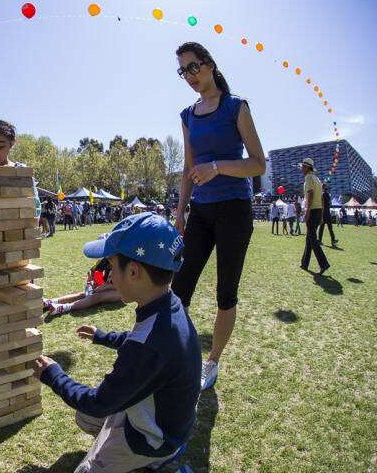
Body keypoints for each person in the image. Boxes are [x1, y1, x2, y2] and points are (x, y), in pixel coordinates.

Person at [34, 213, 200, 472]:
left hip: (155, 438)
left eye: (111, 266)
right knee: (85, 419)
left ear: (133, 271)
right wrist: (103, 336)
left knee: (87, 451)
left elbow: (98, 402)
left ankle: (159, 461)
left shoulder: (148, 348)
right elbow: (139, 343)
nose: (108, 277)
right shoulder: (167, 305)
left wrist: (53, 374)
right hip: (167, 418)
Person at [172, 42, 266, 391]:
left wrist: (217, 167)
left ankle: (211, 363)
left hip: (234, 211)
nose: (190, 76)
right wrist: (180, 211)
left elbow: (258, 163)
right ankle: (174, 354)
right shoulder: (187, 115)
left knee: (226, 293)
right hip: (201, 212)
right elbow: (187, 168)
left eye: (194, 67)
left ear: (210, 65)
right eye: (183, 71)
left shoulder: (236, 107)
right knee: (179, 289)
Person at [44, 256, 122, 318]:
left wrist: (105, 287)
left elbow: (124, 284)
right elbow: (94, 275)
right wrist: (90, 283)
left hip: (122, 291)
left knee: (97, 296)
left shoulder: (122, 262)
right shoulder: (104, 260)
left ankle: (62, 308)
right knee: (83, 294)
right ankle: (51, 302)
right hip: (108, 286)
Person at [299, 158, 330, 274]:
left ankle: (324, 263)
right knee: (309, 238)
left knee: (312, 239)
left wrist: (307, 212)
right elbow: (321, 199)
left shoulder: (308, 178)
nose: (301, 168)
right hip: (318, 211)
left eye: (303, 166)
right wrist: (321, 215)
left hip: (312, 211)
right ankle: (304, 263)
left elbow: (310, 194)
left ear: (307, 167)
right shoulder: (317, 179)